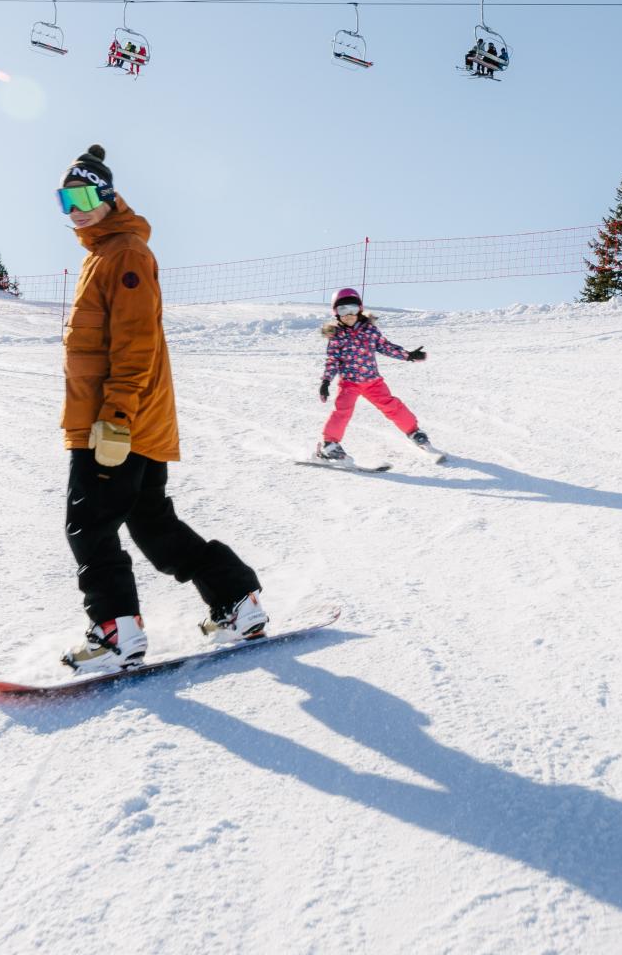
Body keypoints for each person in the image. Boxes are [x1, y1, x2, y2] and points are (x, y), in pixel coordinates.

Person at [54, 144, 266, 672]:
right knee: (153, 525)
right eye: (65, 198)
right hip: (129, 419)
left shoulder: (124, 253)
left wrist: (117, 415)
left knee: (89, 524)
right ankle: (236, 601)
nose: (75, 207)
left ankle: (115, 630)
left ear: (107, 196)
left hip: (116, 420)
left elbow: (135, 340)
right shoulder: (105, 253)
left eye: (83, 194)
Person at [314, 287, 439, 463]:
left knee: (392, 406)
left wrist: (408, 355)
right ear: (336, 313)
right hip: (349, 383)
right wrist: (326, 381)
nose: (349, 314)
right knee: (342, 412)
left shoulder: (369, 330)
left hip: (373, 382)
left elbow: (385, 347)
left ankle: (414, 432)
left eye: (353, 309)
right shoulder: (336, 336)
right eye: (343, 310)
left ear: (360, 310)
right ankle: (330, 446)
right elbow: (332, 361)